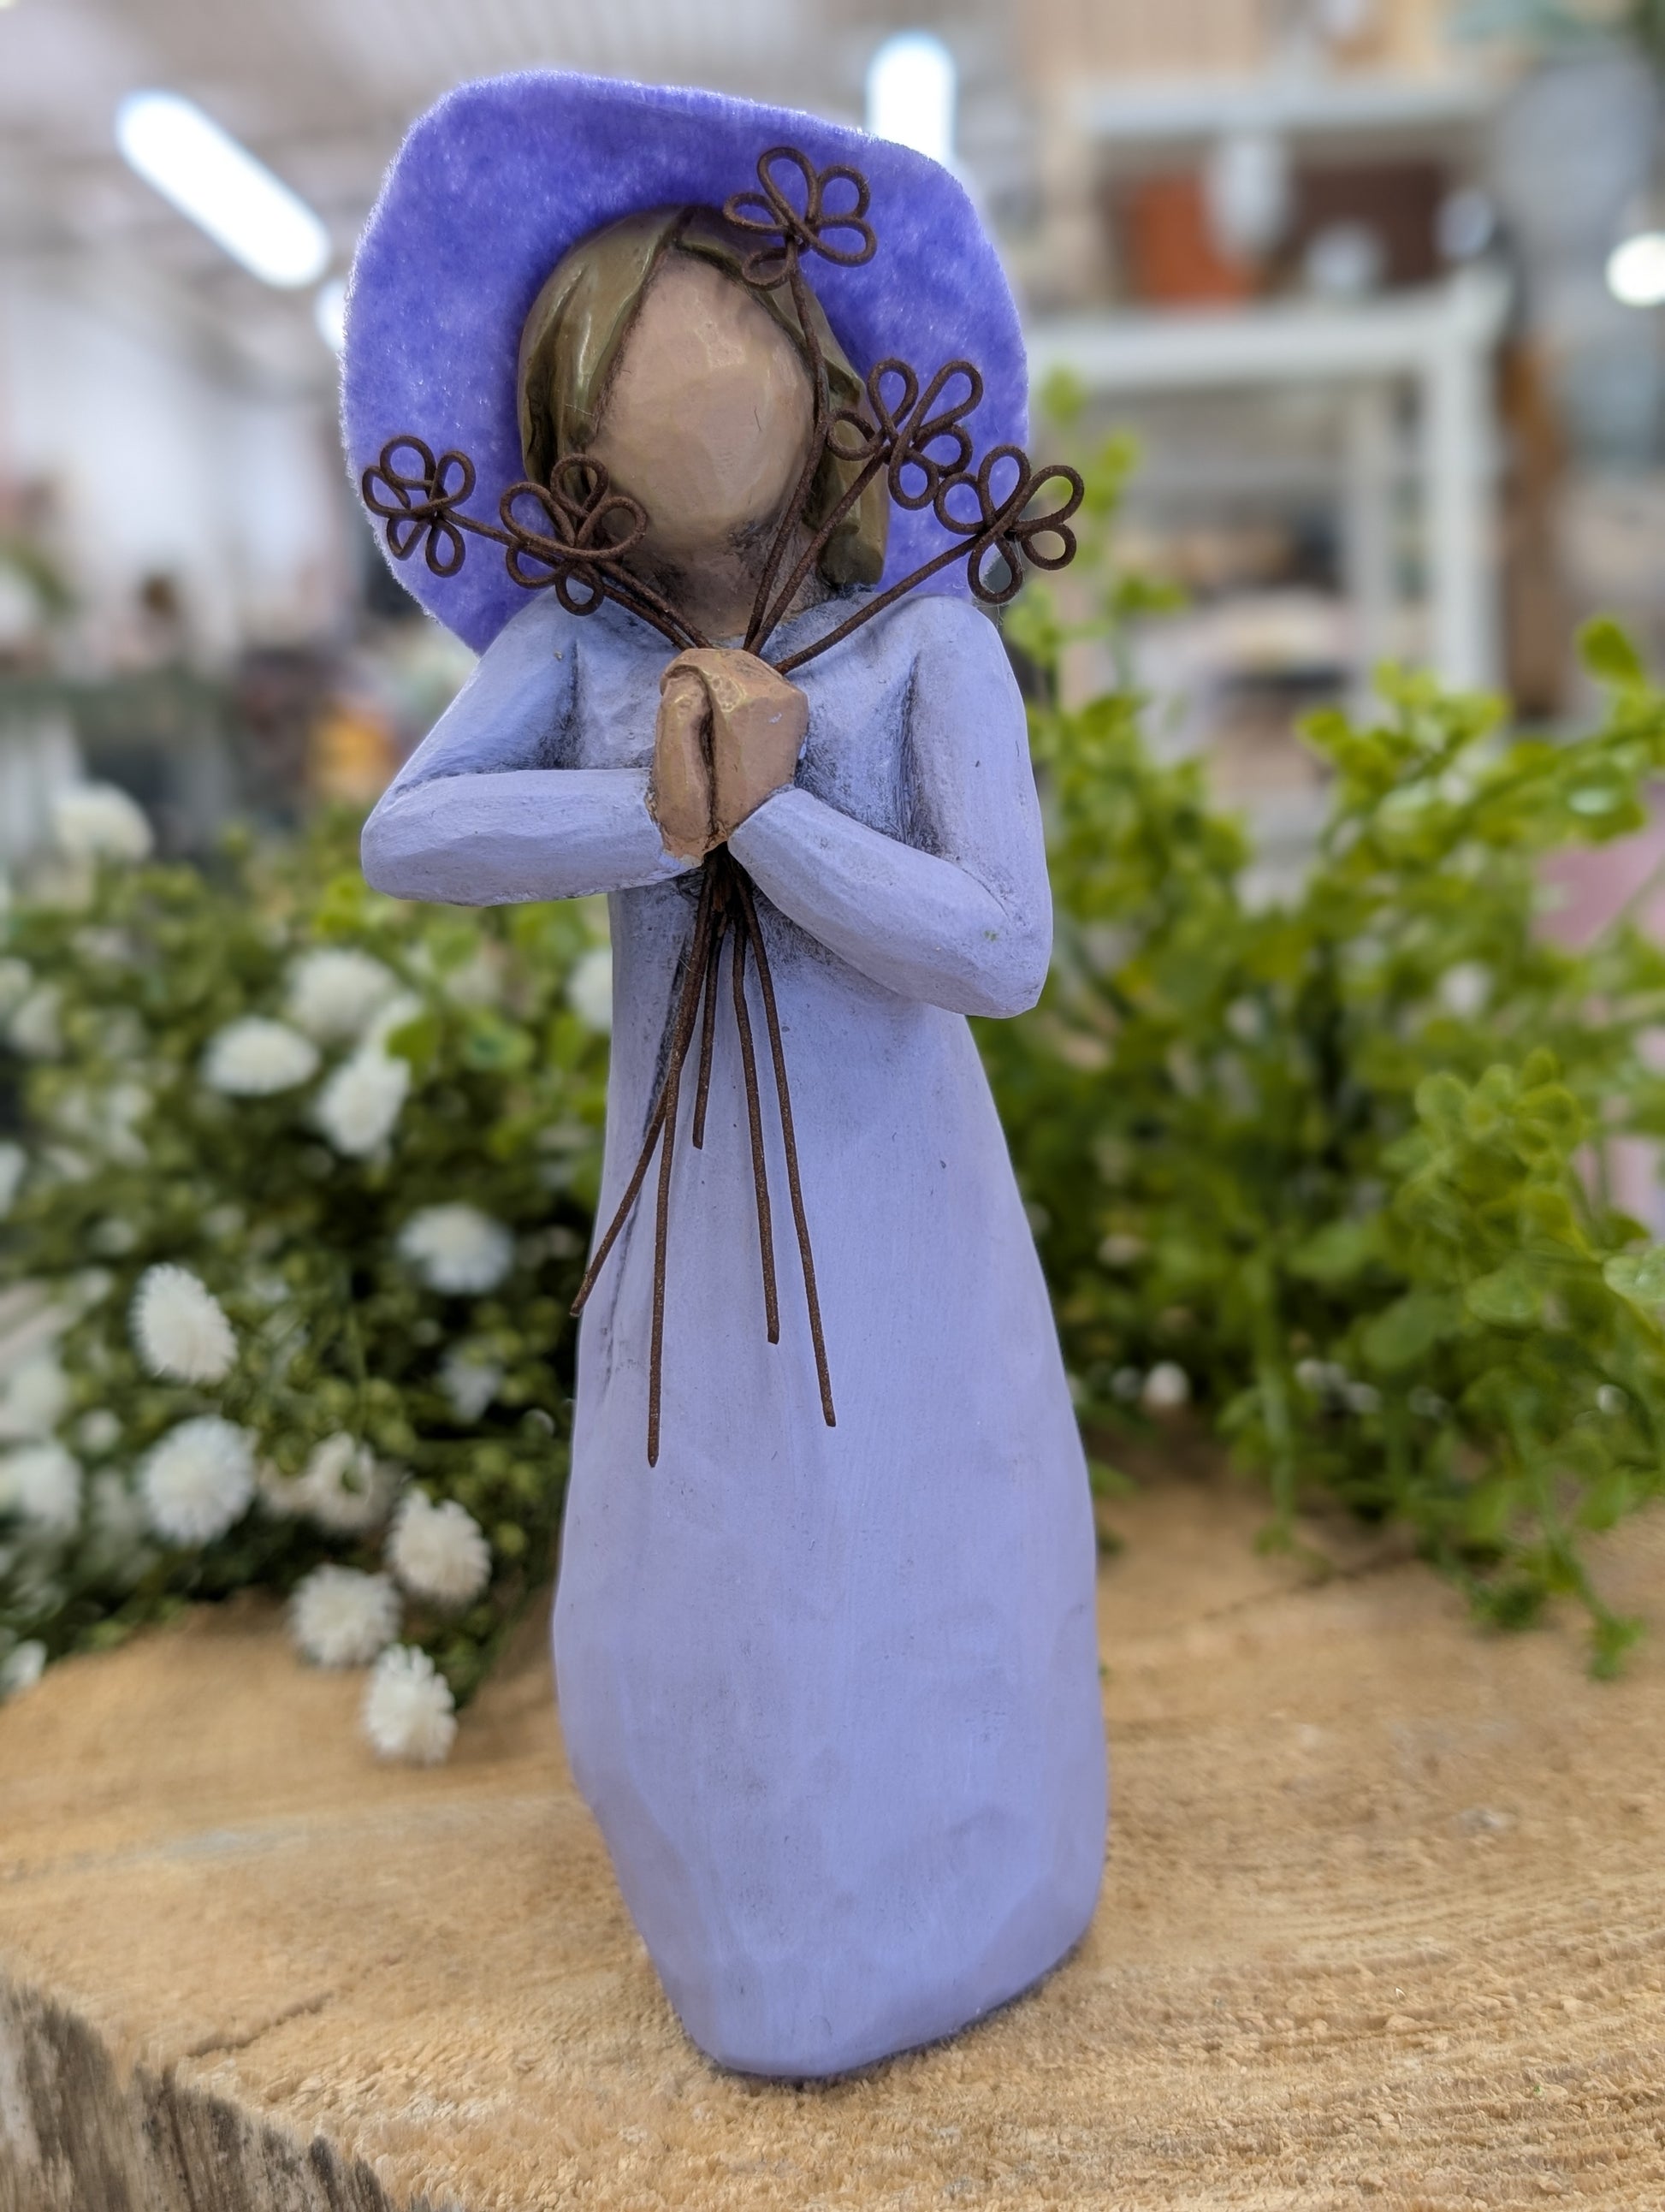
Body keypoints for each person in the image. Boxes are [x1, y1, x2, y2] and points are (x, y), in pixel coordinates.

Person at [349, 71, 1105, 2079]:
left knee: (928, 1526)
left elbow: (998, 951)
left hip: (905, 1228)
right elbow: (409, 836)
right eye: (627, 368)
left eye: (733, 338)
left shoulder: (925, 641)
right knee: (714, 1557)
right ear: (562, 427)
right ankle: (758, 1927)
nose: (692, 394)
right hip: (686, 1249)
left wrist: (766, 821)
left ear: (822, 370)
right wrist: (656, 808)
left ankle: (981, 1876)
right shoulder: (575, 652)